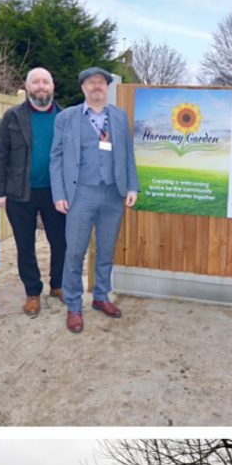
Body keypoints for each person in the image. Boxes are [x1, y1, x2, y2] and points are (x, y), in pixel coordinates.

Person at [51, 68, 138, 334]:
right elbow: (55, 158)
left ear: (107, 88)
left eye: (101, 82)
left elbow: (127, 154)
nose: (96, 86)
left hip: (113, 193)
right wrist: (59, 194)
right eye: (91, 83)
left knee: (105, 250)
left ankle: (101, 296)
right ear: (83, 88)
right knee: (75, 252)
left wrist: (132, 185)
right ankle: (74, 305)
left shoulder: (120, 117)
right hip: (80, 195)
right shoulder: (66, 118)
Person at [0, 67, 67, 314]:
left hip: (56, 192)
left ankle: (58, 284)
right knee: (25, 245)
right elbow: (0, 154)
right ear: (27, 87)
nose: (41, 86)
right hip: (19, 192)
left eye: (46, 81)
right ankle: (32, 292)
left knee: (60, 242)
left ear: (53, 86)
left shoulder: (66, 117)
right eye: (36, 82)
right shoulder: (13, 116)